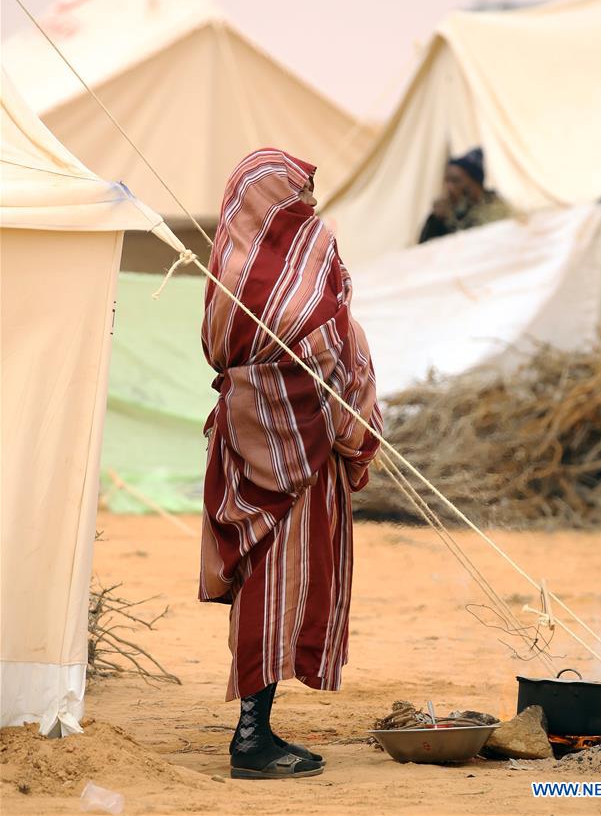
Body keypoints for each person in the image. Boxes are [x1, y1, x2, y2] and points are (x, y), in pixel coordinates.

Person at [200, 148, 382, 780]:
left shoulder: (225, 262)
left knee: (260, 587)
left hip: (241, 451)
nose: (310, 203)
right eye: (302, 190)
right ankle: (251, 742)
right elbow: (336, 351)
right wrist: (354, 438)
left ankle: (258, 727)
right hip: (306, 458)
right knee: (281, 589)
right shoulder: (315, 251)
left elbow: (222, 352)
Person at [418, 147, 511, 243]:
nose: (449, 187)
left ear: (475, 184)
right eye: (447, 181)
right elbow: (425, 249)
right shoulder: (447, 211)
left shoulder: (495, 207)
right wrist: (437, 221)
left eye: (455, 181)